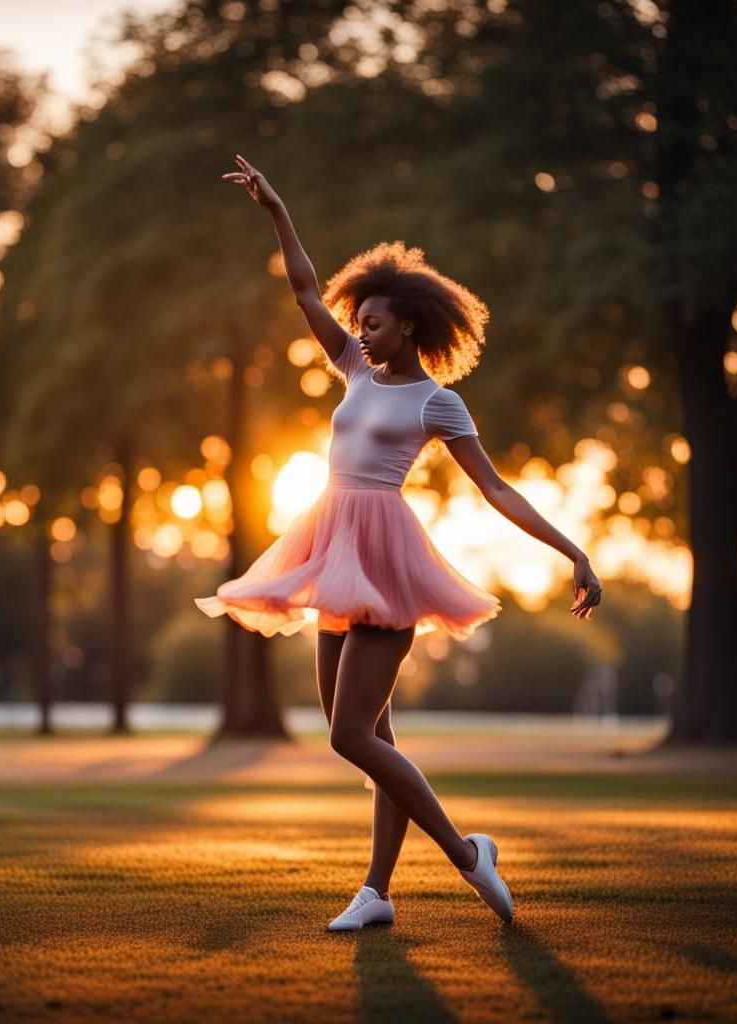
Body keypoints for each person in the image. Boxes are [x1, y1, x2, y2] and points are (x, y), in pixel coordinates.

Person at [195, 154, 603, 930]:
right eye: (360, 323)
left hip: (386, 564)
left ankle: (466, 852)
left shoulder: (437, 403)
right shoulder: (353, 368)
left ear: (408, 325)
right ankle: (378, 893)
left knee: (349, 734)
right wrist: (277, 210)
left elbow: (497, 489)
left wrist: (574, 553)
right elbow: (305, 291)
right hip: (329, 551)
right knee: (369, 735)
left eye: (374, 323)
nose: (361, 331)